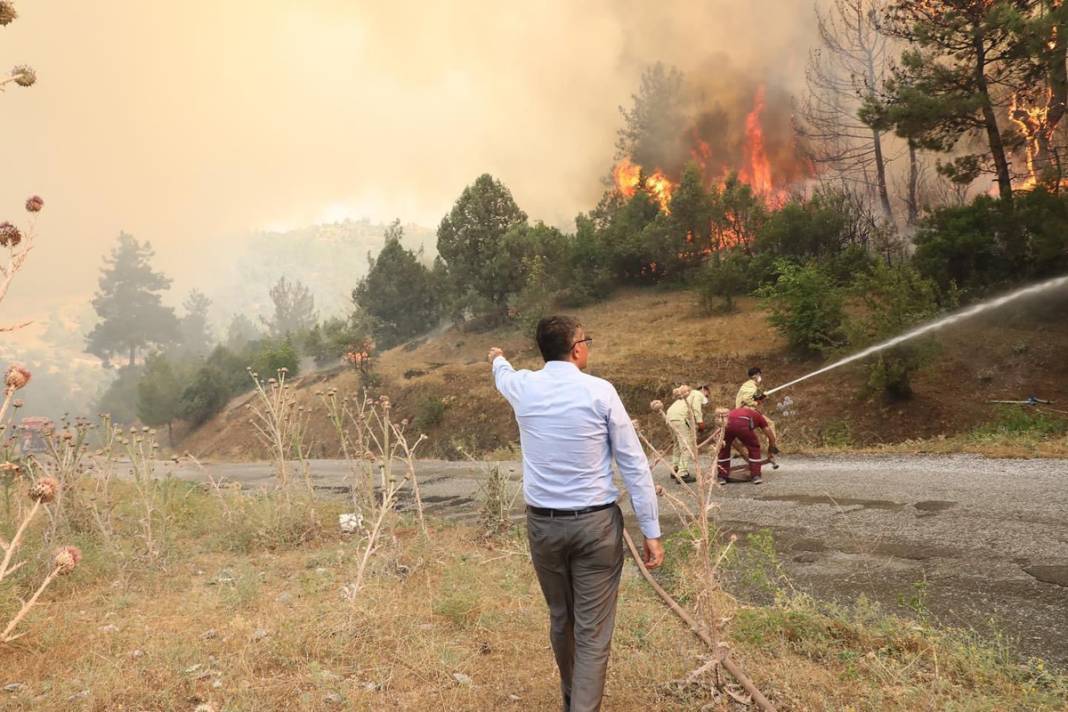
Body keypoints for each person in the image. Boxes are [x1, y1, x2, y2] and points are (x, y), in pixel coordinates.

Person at [489, 315, 663, 712]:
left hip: (544, 528)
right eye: (586, 339)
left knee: (561, 618)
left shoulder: (522, 387)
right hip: (596, 527)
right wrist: (650, 529)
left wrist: (497, 358)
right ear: (577, 349)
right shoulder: (600, 392)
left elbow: (503, 374)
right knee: (592, 631)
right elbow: (633, 463)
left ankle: (572, 695)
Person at [717, 395, 779, 485]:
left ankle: (722, 477)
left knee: (724, 449)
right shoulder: (758, 415)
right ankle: (756, 476)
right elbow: (768, 432)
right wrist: (772, 444)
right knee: (754, 447)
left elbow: (731, 428)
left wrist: (742, 452)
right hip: (742, 425)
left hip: (726, 424)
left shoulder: (735, 411)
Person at [666, 384, 709, 484]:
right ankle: (682, 473)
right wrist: (700, 422)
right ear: (704, 390)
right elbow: (696, 409)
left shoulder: (687, 394)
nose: (706, 397)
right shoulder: (697, 394)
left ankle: (675, 468)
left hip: (669, 417)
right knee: (686, 446)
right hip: (681, 418)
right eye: (707, 395)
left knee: (677, 444)